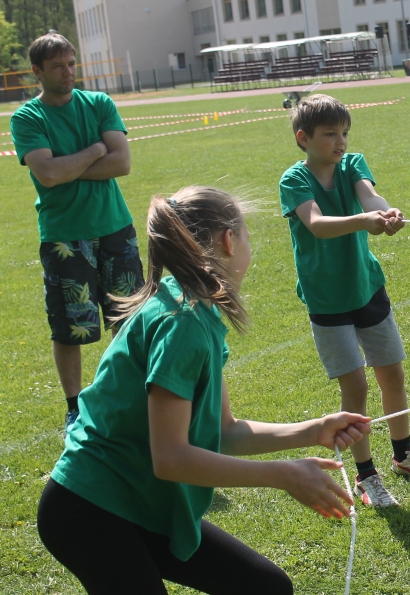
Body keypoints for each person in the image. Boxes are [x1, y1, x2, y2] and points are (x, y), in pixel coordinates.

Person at [36, 186, 373, 594]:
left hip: (135, 502)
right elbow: (172, 458)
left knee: (265, 587)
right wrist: (282, 475)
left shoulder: (194, 311)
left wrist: (314, 430)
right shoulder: (182, 322)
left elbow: (224, 431)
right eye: (246, 235)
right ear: (228, 241)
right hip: (89, 508)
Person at [279, 94, 410, 509]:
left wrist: (386, 214)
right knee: (354, 388)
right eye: (330, 134)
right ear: (304, 138)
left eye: (345, 133)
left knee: (392, 376)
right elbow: (316, 224)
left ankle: (404, 454)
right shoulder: (294, 181)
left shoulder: (353, 165)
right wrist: (364, 221)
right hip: (327, 300)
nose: (341, 142)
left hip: (366, 288)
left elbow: (370, 197)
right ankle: (366, 475)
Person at [10, 33, 143, 434]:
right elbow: (48, 175)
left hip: (115, 228)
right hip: (64, 237)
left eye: (71, 63)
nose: (68, 72)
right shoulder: (27, 118)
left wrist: (68, 168)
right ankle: (74, 407)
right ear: (37, 72)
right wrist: (93, 151)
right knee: (71, 328)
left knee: (130, 318)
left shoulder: (99, 103)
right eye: (57, 66)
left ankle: (135, 395)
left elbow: (122, 164)